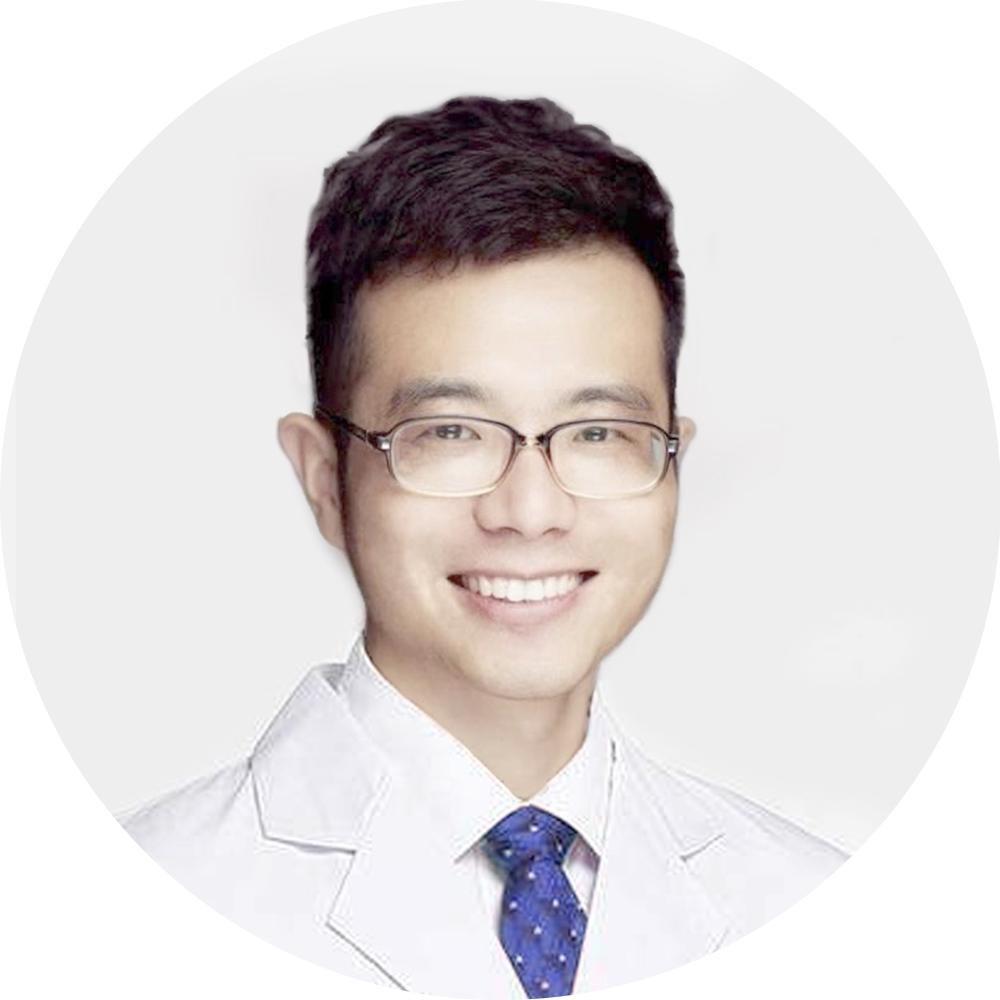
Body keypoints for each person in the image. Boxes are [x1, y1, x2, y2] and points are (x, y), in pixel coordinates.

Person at [121, 95, 847, 998]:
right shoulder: (129, 910)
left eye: (598, 433)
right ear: (324, 479)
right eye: (451, 432)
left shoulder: (819, 907)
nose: (530, 511)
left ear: (671, 462)